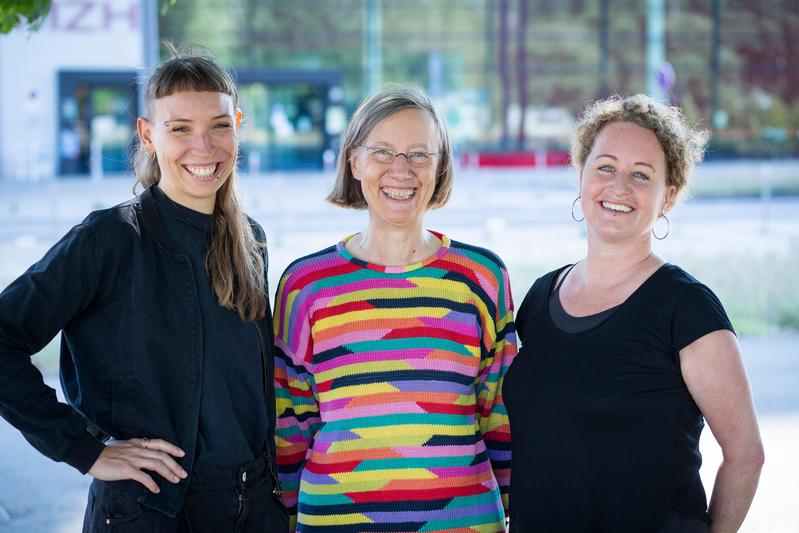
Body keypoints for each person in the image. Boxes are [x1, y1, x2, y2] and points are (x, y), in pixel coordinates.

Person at [0, 49, 288, 532]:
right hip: (152, 512)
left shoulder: (250, 238)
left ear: (238, 126)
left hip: (254, 505)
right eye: (179, 128)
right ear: (147, 135)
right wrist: (84, 449)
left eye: (220, 125)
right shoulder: (108, 239)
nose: (204, 146)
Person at [504, 94, 764, 533]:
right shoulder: (540, 297)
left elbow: (746, 454)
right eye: (605, 166)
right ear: (581, 174)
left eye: (641, 175)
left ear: (669, 195)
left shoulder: (686, 309)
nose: (619, 186)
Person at [272, 85, 516, 532]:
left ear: (440, 167)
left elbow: (499, 414)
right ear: (354, 161)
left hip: (462, 522)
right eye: (382, 151)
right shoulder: (305, 286)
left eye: (420, 154)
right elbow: (291, 426)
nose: (401, 170)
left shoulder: (481, 279)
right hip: (334, 521)